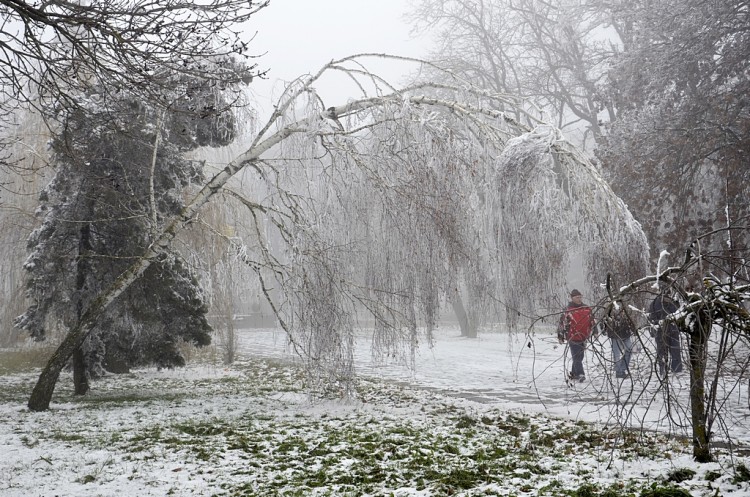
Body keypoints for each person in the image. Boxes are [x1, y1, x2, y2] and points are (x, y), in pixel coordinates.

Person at [557, 289, 595, 383]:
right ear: (572, 298)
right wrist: (560, 336)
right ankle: (580, 374)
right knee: (576, 356)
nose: (579, 299)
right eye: (577, 297)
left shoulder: (586, 308)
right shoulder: (568, 310)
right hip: (573, 336)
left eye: (580, 297)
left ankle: (573, 374)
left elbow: (592, 320)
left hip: (584, 336)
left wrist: (595, 331)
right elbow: (562, 323)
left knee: (580, 356)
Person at [648, 290, 683, 376]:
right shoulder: (655, 304)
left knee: (674, 351)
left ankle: (675, 370)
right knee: (663, 352)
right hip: (662, 332)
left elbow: (678, 314)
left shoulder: (672, 302)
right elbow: (651, 319)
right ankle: (664, 370)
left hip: (672, 330)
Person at [602, 310, 635, 379]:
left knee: (629, 350)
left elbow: (630, 319)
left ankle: (622, 369)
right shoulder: (610, 308)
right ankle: (619, 372)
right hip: (615, 335)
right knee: (617, 354)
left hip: (625, 333)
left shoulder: (625, 305)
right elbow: (605, 320)